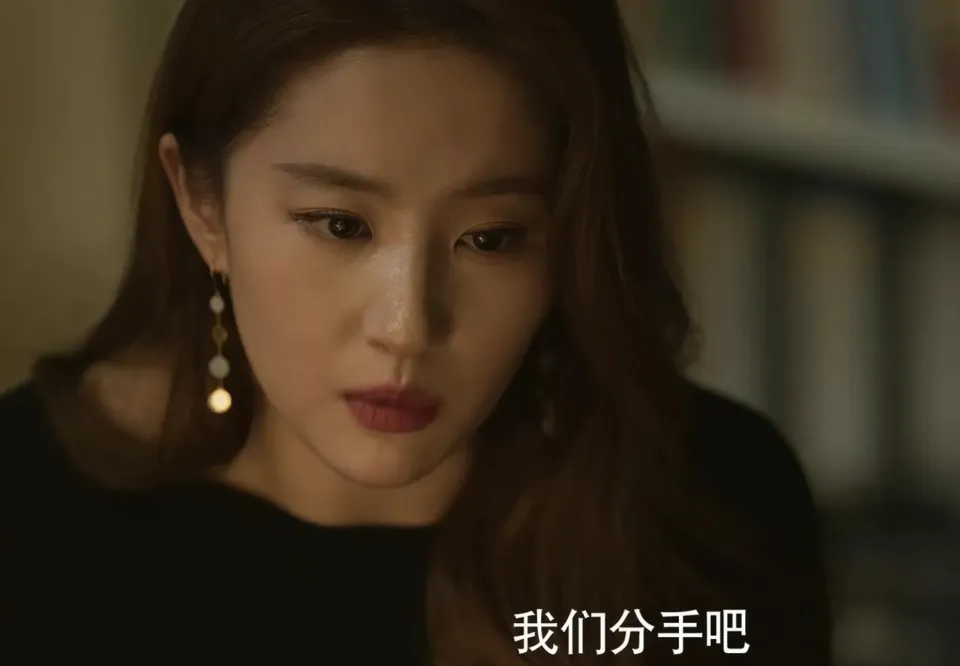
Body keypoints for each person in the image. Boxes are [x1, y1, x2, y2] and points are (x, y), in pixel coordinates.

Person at [0, 1, 832, 664]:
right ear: (202, 204)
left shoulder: (713, 511)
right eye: (340, 225)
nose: (407, 328)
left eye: (492, 238)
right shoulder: (30, 506)